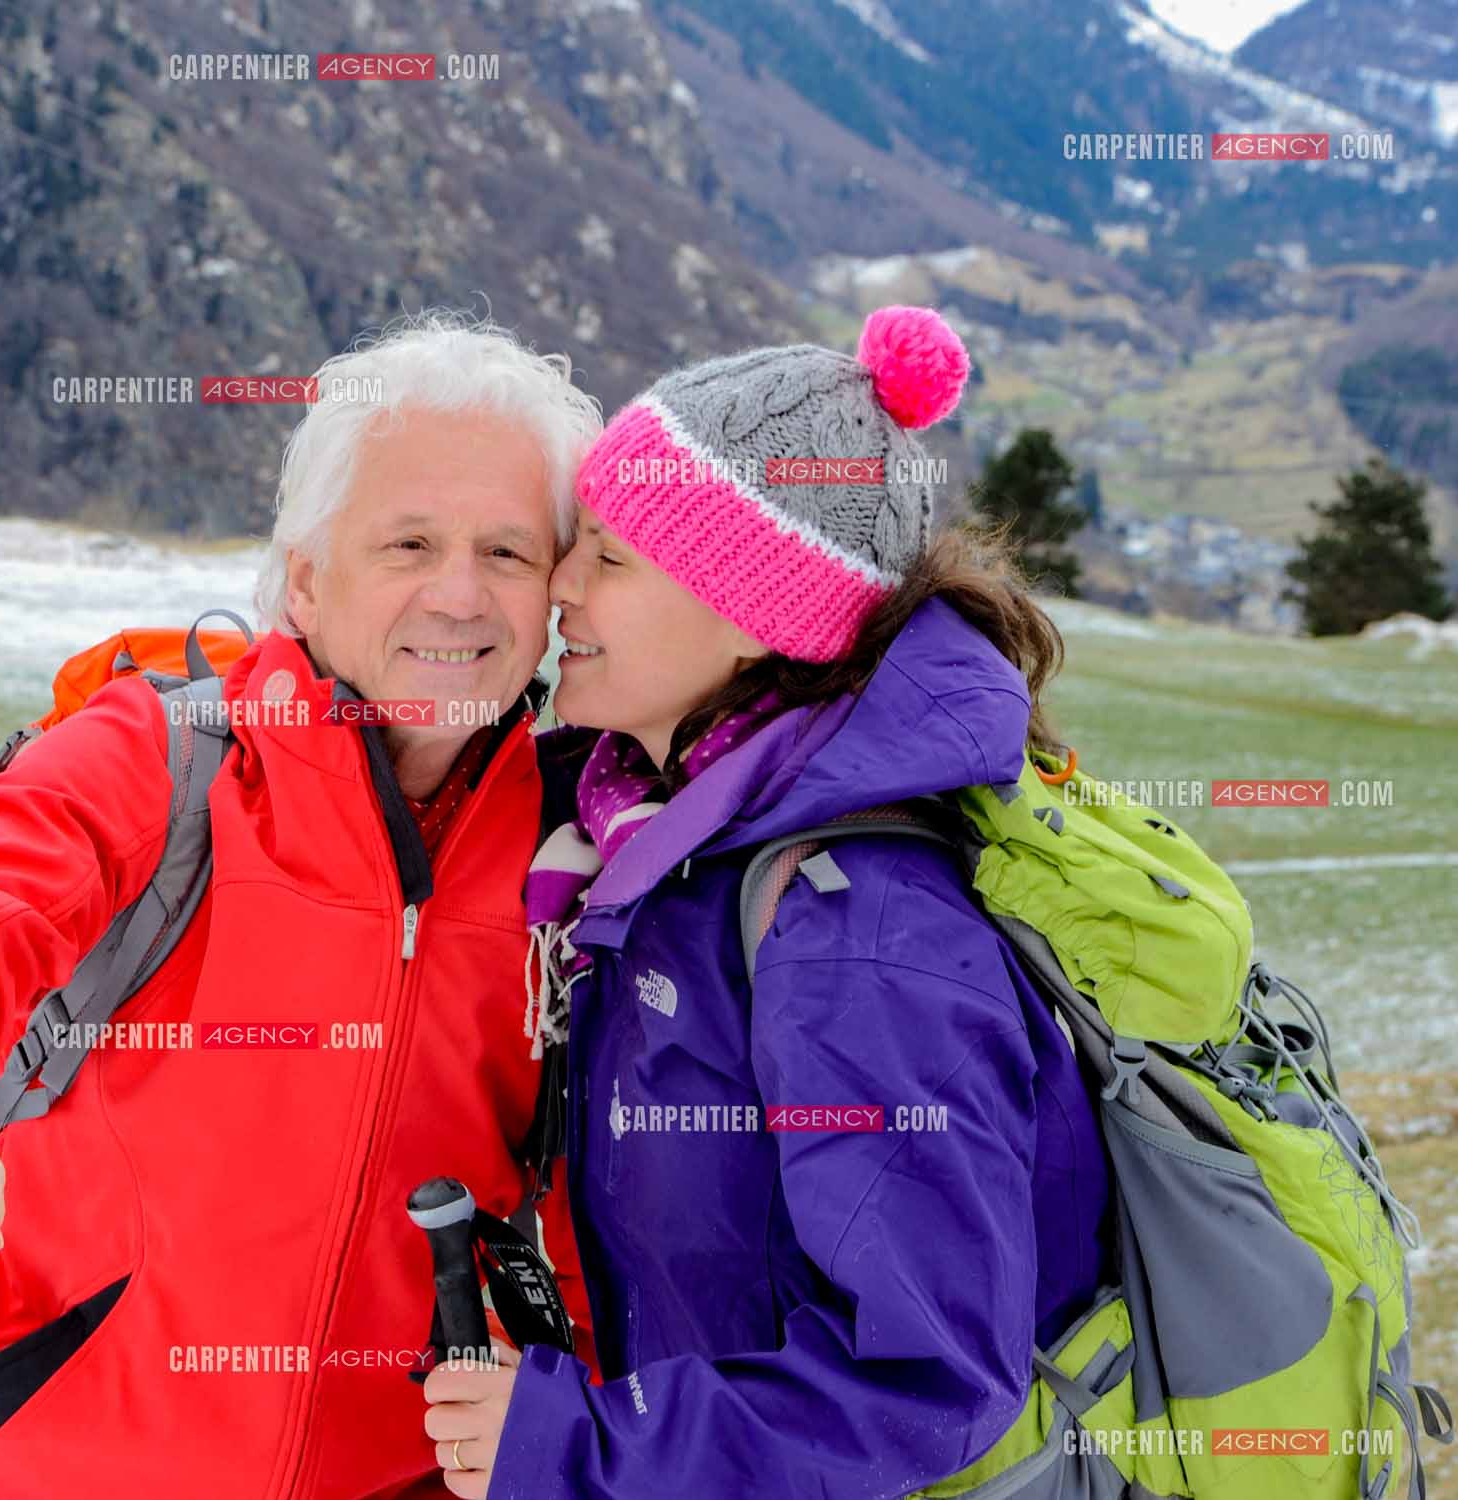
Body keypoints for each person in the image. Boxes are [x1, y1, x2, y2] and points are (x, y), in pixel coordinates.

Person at [0, 309, 602, 1498]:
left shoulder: (575, 849)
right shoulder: (162, 760)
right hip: (46, 1469)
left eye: (507, 553)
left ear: (553, 597)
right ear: (307, 583)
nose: (458, 597)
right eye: (409, 545)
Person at [419, 307, 1116, 1498]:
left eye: (612, 561)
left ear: (755, 621)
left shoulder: (860, 938)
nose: (559, 589)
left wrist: (582, 1451)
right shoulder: (656, 838)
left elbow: (927, 1377)